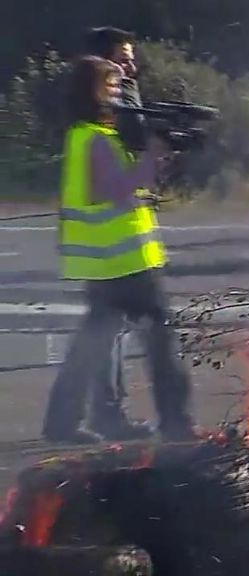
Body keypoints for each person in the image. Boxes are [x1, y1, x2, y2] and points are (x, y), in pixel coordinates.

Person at [42, 56, 196, 443]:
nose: (118, 91)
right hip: (123, 261)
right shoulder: (94, 138)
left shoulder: (87, 135)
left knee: (91, 346)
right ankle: (176, 424)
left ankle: (60, 424)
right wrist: (152, 156)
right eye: (110, 85)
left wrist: (153, 164)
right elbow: (116, 190)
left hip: (105, 262)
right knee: (160, 341)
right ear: (91, 91)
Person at [82, 26, 153, 440]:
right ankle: (103, 416)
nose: (131, 65)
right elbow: (133, 144)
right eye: (123, 58)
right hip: (106, 237)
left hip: (112, 234)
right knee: (108, 330)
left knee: (107, 329)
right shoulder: (103, 109)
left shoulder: (111, 102)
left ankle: (79, 416)